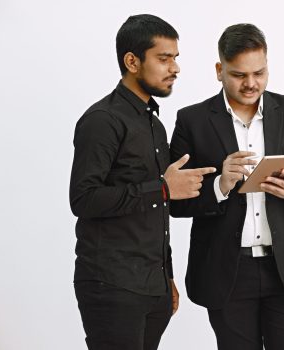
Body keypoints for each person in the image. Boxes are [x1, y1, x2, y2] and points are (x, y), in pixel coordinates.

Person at [169, 23, 284, 350]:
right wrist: (219, 186)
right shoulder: (192, 121)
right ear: (219, 70)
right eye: (240, 75)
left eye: (260, 72)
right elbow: (174, 201)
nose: (251, 83)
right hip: (227, 271)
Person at [69, 14, 216, 350]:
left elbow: (154, 212)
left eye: (175, 58)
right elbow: (84, 199)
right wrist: (163, 188)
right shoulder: (102, 120)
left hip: (153, 287)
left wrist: (166, 277)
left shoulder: (155, 126)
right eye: (164, 59)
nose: (175, 68)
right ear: (132, 61)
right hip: (112, 284)